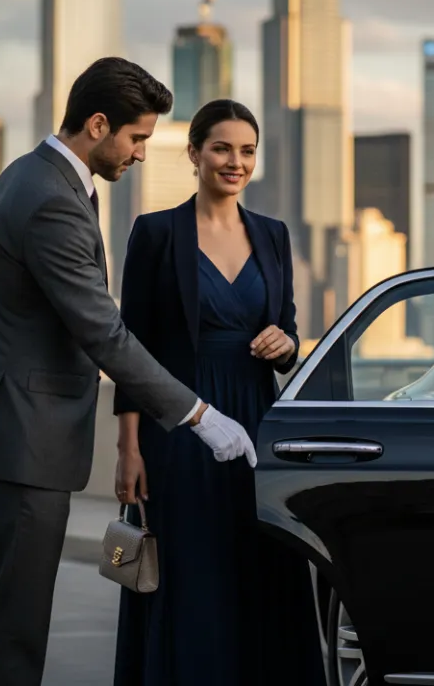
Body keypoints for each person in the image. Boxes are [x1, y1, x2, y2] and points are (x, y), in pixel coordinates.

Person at [0, 59, 258, 686]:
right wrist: (199, 414)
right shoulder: (50, 198)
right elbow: (102, 330)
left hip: (9, 428)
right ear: (98, 124)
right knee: (15, 627)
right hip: (19, 435)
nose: (139, 154)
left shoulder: (37, 176)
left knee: (2, 615)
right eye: (136, 138)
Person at [111, 99, 325, 685]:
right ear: (195, 152)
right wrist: (129, 448)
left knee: (262, 564)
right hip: (179, 425)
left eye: (248, 151)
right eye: (223, 148)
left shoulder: (275, 236)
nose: (236, 162)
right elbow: (132, 348)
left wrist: (286, 344)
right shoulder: (155, 233)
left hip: (258, 423)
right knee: (190, 569)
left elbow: (287, 330)